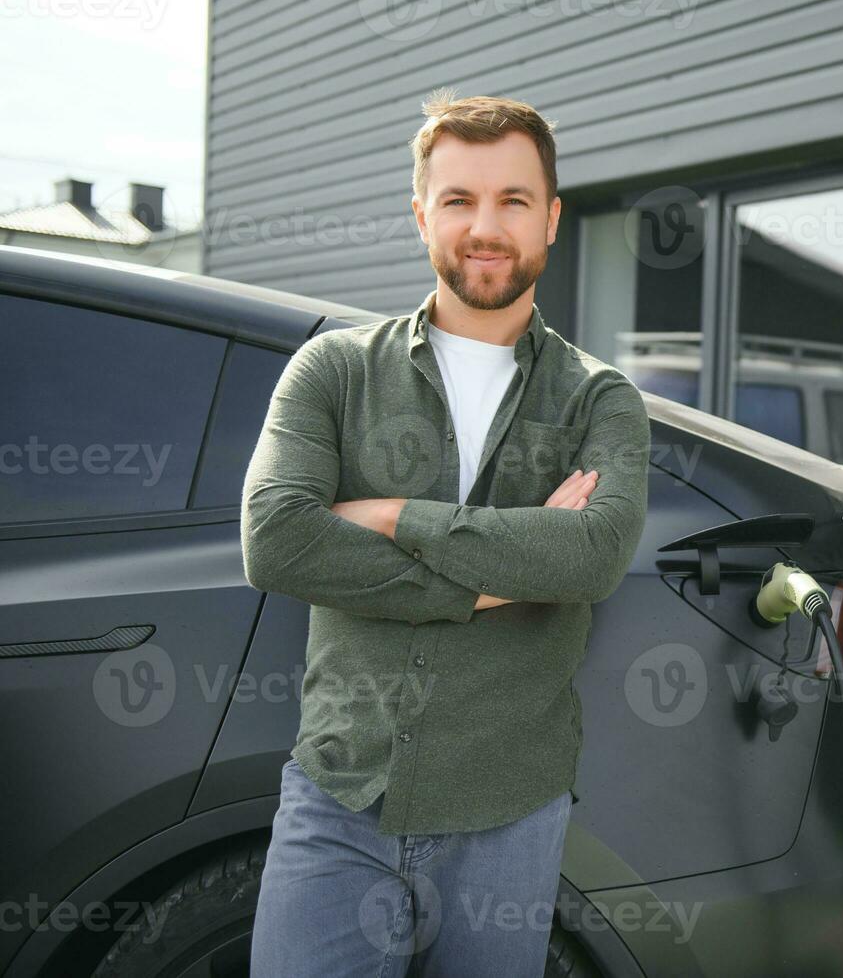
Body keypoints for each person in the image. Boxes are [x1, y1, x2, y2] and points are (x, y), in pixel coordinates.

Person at [241, 87, 651, 977]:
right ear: (422, 212)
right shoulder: (333, 370)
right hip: (339, 799)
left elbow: (595, 554)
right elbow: (276, 541)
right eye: (460, 199)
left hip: (509, 816)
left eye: (511, 200)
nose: (485, 225)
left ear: (550, 217)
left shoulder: (598, 398)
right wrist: (511, 567)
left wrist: (391, 517)